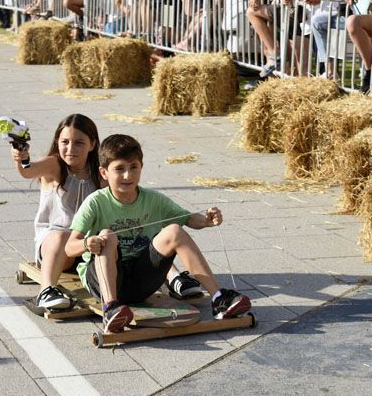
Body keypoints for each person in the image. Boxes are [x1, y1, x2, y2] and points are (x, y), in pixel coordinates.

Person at [66, 134, 250, 333]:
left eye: (133, 167)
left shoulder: (153, 200)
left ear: (141, 167)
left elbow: (188, 218)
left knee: (174, 231)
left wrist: (206, 220)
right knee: (107, 235)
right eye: (119, 169)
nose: (128, 175)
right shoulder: (95, 202)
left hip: (140, 281)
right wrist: (87, 243)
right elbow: (69, 247)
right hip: (103, 281)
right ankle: (110, 307)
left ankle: (219, 299)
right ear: (104, 172)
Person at [13, 115, 102, 310]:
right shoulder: (54, 165)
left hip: (85, 246)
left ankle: (170, 279)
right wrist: (22, 158)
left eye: (79, 143)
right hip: (54, 245)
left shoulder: (98, 172)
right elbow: (28, 170)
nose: (70, 149)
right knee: (62, 235)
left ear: (92, 144)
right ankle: (46, 291)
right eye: (65, 142)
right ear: (57, 143)